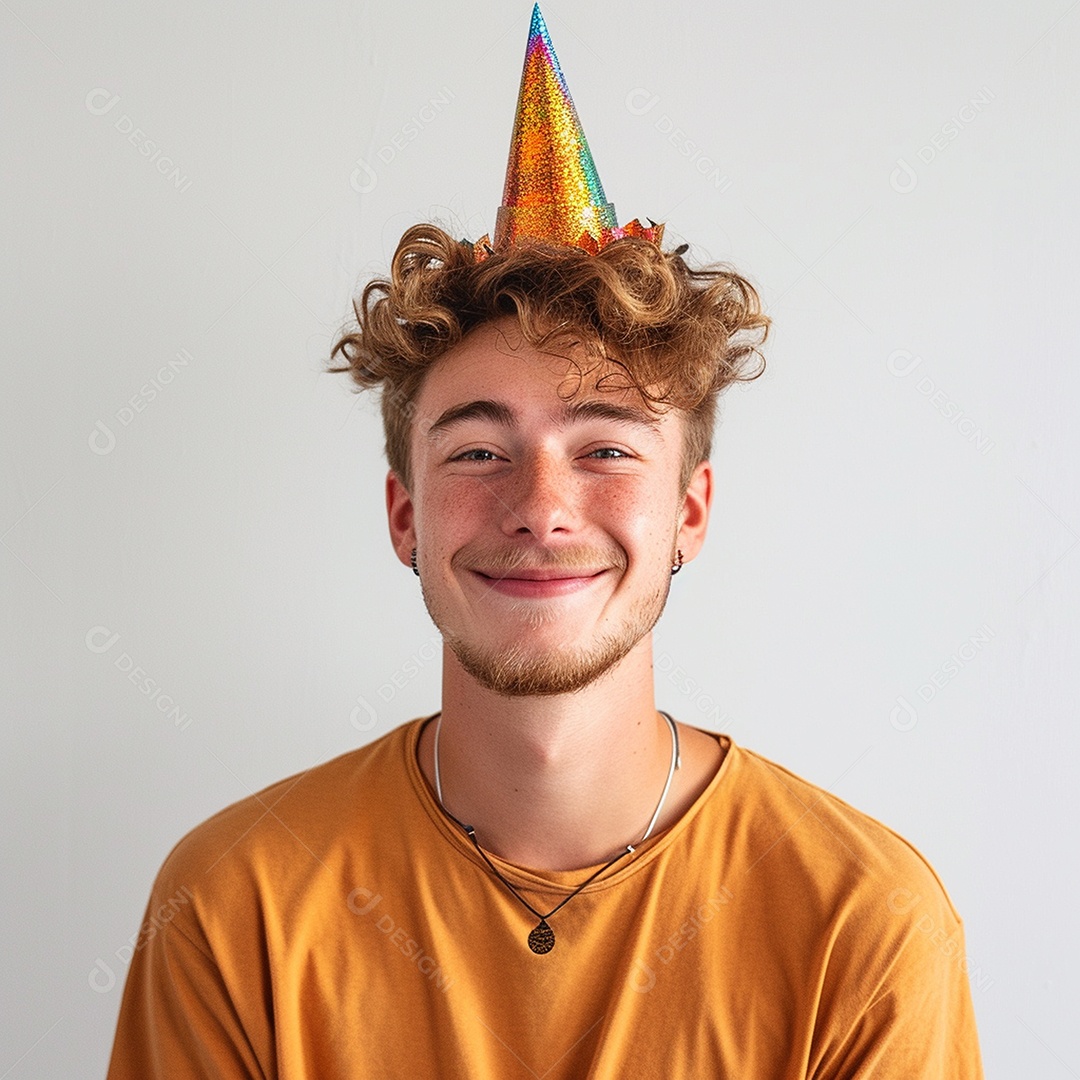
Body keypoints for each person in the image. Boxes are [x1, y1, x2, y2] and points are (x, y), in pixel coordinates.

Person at [105, 6, 984, 1077]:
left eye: (605, 450)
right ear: (404, 518)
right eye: (478, 454)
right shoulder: (234, 902)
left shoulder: (866, 922)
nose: (542, 508)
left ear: (689, 515)